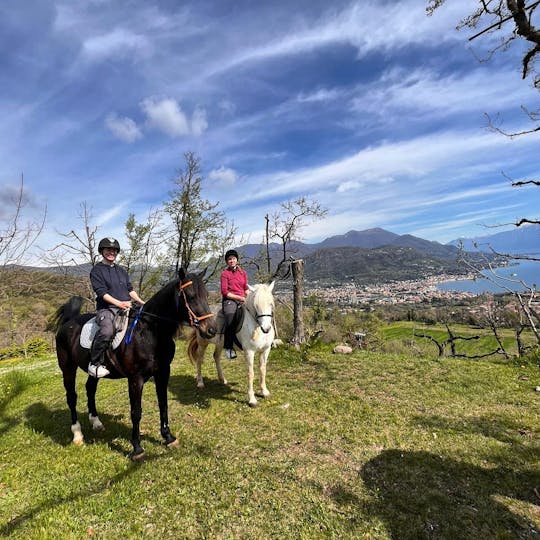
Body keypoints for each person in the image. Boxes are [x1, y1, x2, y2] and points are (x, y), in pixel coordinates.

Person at [88, 237, 145, 378]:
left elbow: (130, 290)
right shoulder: (96, 271)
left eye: (114, 250)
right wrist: (119, 303)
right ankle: (94, 363)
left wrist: (141, 302)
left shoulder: (121, 271)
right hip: (107, 309)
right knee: (107, 331)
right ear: (102, 251)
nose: (111, 252)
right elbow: (102, 293)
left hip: (127, 307)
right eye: (108, 250)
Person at [220, 249, 249, 359]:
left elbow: (245, 288)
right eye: (229, 259)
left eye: (233, 259)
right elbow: (225, 292)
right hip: (230, 300)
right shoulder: (224, 274)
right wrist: (239, 297)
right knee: (230, 317)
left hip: (242, 299)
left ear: (237, 260)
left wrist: (249, 296)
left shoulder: (243, 273)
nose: (231, 261)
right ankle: (228, 347)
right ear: (227, 261)